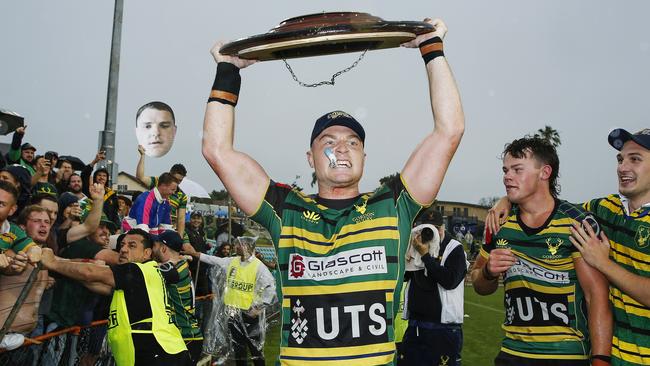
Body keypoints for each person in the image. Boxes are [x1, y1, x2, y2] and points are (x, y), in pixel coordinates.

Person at [201, 18, 464, 364]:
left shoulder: (393, 203)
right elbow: (216, 149)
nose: (342, 148)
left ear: (364, 156)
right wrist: (227, 71)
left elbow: (450, 131)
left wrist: (433, 50)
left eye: (352, 142)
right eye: (329, 141)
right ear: (311, 158)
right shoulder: (285, 209)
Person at [472, 137, 612, 365]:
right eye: (505, 170)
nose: (507, 176)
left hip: (565, 355)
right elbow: (478, 282)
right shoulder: (499, 223)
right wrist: (488, 271)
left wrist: (600, 359)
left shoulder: (576, 222)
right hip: (513, 354)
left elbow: (595, 296)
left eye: (517, 169)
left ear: (545, 172)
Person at [559, 128, 650, 366]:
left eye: (635, 159)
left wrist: (602, 263)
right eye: (620, 159)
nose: (622, 167)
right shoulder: (605, 207)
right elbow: (553, 209)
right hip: (609, 357)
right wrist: (508, 200)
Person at [40, 228, 189, 365]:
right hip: (166, 352)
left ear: (147, 253)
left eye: (132, 246)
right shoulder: (148, 274)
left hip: (156, 355)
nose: (123, 249)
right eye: (122, 245)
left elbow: (90, 273)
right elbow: (95, 283)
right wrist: (60, 263)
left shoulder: (138, 270)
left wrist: (52, 263)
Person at [184, 237, 276, 365]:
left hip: (249, 315)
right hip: (232, 313)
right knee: (238, 348)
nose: (235, 247)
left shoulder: (258, 266)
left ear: (247, 246)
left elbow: (270, 287)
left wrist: (258, 307)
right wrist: (195, 254)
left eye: (238, 245)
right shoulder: (232, 261)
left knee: (255, 349)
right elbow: (213, 260)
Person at [400, 209, 468, 365]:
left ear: (443, 228)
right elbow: (404, 277)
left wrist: (426, 257)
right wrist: (408, 255)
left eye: (436, 229)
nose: (433, 233)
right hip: (415, 325)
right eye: (428, 228)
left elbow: (450, 281)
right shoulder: (417, 245)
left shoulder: (454, 248)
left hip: (443, 328)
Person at [152, 230, 203, 365]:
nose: (152, 249)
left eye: (155, 245)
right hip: (188, 335)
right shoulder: (181, 265)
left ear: (163, 248)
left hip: (186, 336)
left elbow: (148, 274)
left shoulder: (175, 270)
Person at [136, 146, 188, 234]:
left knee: (188, 247)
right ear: (170, 173)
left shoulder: (182, 196)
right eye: (175, 179)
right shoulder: (158, 182)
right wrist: (142, 156)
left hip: (170, 228)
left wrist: (179, 238)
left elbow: (181, 219)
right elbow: (140, 177)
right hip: (151, 225)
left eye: (180, 180)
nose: (177, 182)